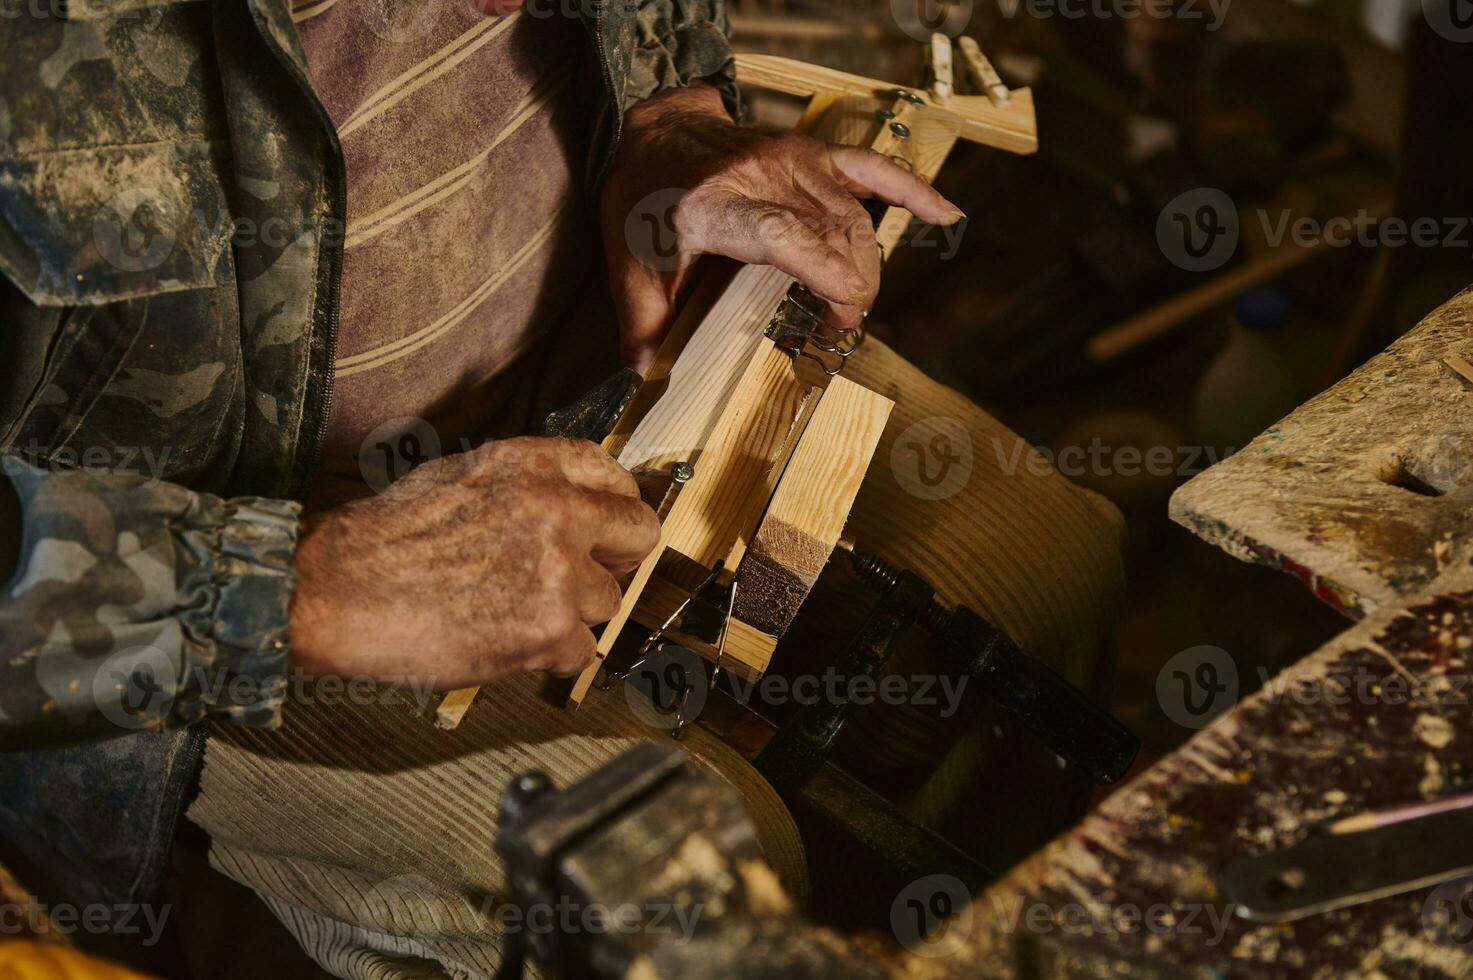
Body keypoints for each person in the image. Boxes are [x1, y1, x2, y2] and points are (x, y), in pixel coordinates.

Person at [1, 0, 1125, 971]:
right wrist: (296, 587)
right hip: (210, 563)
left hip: (604, 366)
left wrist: (669, 120)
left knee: (1050, 561)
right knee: (692, 877)